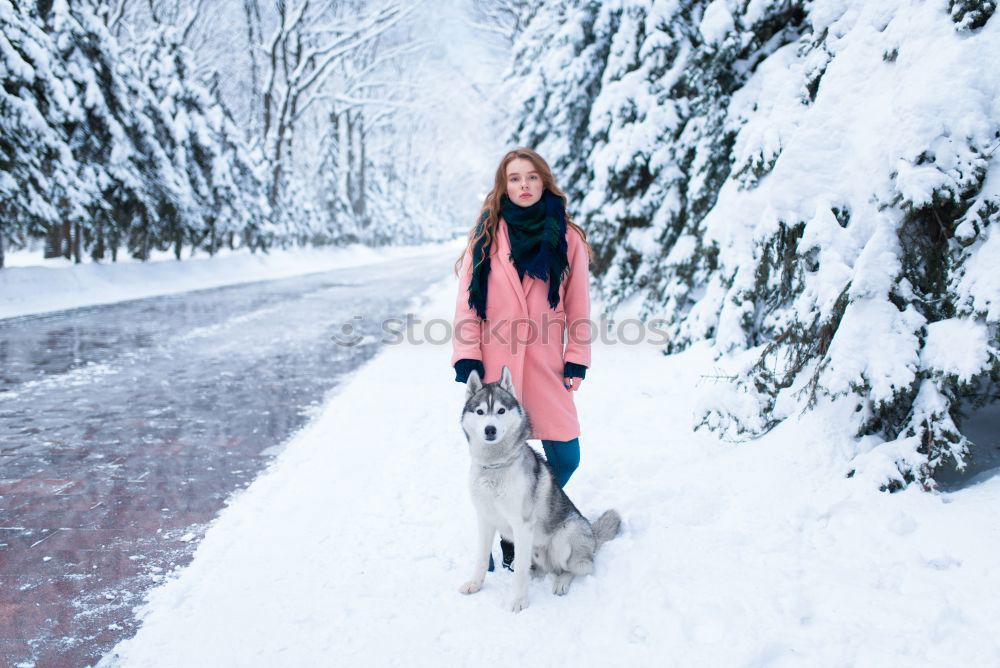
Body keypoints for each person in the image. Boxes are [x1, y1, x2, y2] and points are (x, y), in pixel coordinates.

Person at [451, 147, 593, 572]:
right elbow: (467, 307)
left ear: (543, 181)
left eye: (531, 177)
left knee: (566, 455)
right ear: (503, 185)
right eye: (515, 179)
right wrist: (467, 358)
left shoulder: (568, 237)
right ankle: (508, 539)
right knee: (494, 462)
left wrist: (577, 357)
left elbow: (578, 304)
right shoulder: (485, 236)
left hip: (547, 363)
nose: (524, 186)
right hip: (497, 371)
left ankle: (521, 521)